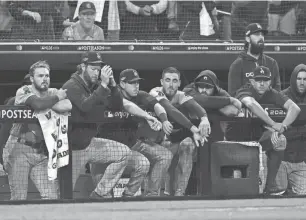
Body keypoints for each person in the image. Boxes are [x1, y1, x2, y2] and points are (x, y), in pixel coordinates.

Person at [63, 51, 157, 198]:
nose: (97, 72)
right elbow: (85, 106)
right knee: (63, 193)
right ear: (82, 67)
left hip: (91, 143)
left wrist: (113, 86)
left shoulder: (94, 86)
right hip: (73, 149)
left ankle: (99, 194)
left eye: (98, 69)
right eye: (93, 69)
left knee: (123, 152)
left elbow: (116, 105)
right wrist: (103, 85)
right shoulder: (71, 85)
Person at [3, 60, 72, 200]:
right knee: (19, 198)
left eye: (47, 76)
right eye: (40, 76)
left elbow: (68, 105)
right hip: (19, 149)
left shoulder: (52, 91)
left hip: (41, 152)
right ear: (31, 78)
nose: (45, 79)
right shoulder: (24, 91)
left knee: (52, 197)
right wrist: (55, 99)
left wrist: (47, 103)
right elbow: (37, 103)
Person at [235, 65, 300, 195]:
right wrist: (272, 123)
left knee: (280, 140)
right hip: (239, 140)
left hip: (260, 139)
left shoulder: (272, 93)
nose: (261, 83)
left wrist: (282, 127)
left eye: (265, 80)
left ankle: (268, 189)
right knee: (238, 183)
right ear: (252, 81)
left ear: (270, 82)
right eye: (258, 80)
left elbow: (295, 108)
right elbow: (251, 104)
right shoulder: (245, 90)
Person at [149, 67, 211, 196]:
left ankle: (179, 193)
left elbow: (196, 107)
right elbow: (170, 109)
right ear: (161, 82)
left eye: (174, 81)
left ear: (179, 83)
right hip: (154, 143)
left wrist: (204, 118)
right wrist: (193, 128)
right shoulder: (155, 92)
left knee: (188, 145)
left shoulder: (181, 95)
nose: (171, 84)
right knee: (165, 147)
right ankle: (157, 193)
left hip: (175, 140)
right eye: (167, 80)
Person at [270, 64, 306, 195]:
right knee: (278, 193)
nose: (302, 82)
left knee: (303, 196)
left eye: (305, 79)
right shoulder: (283, 97)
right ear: (293, 79)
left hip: (301, 161)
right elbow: (274, 128)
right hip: (282, 160)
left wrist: (291, 130)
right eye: (299, 79)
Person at [228, 23, 281, 96]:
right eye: (257, 34)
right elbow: (233, 94)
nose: (261, 37)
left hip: (269, 105)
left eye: (262, 34)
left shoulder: (272, 63)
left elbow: (277, 92)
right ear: (248, 39)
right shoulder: (237, 65)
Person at [0, 74, 31, 167]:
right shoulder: (14, 101)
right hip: (15, 143)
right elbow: (6, 127)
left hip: (36, 148)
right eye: (28, 84)